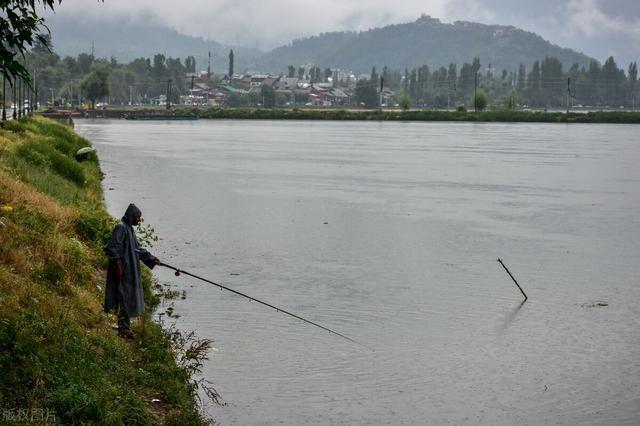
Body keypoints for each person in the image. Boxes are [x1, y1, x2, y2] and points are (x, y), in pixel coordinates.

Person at [104, 203, 160, 339]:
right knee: (124, 298)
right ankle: (123, 329)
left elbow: (138, 249)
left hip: (130, 272)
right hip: (123, 272)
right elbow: (111, 248)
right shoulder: (121, 228)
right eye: (138, 218)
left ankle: (125, 328)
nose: (139, 220)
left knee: (127, 298)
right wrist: (118, 265)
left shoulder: (129, 229)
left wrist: (152, 259)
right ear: (131, 217)